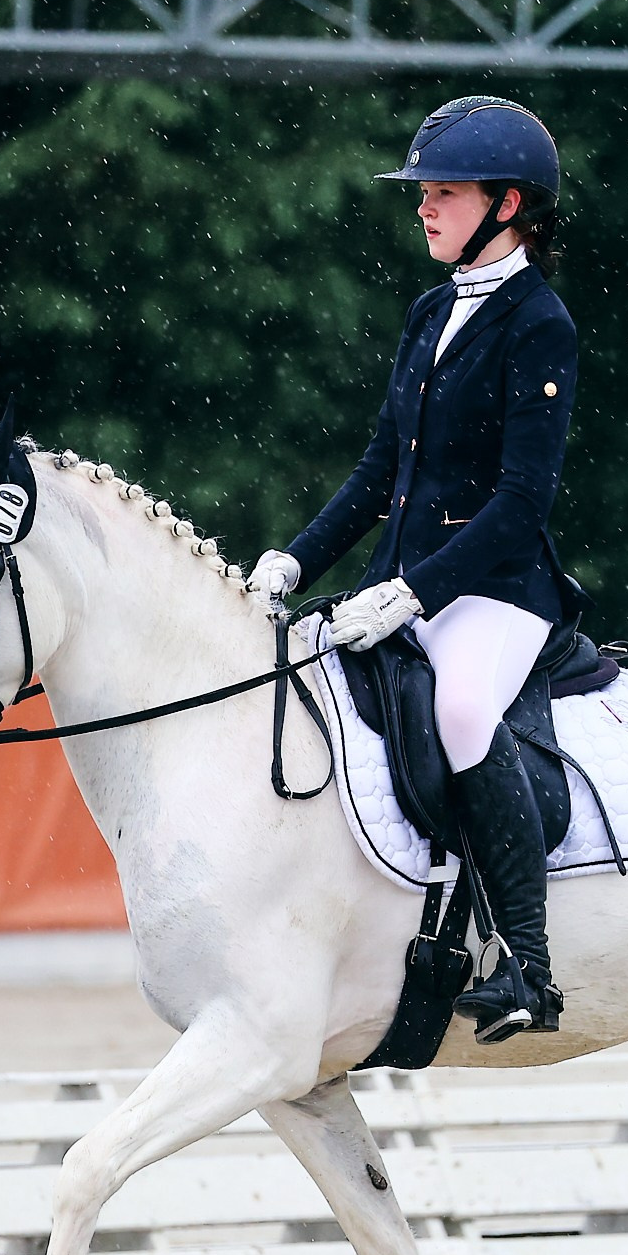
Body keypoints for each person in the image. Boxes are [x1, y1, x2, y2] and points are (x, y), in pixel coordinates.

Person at [249, 96, 585, 1044]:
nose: (425, 207)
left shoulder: (540, 323)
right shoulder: (431, 310)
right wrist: (296, 557)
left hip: (496, 588)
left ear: (507, 204)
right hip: (401, 581)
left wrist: (415, 590)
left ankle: (528, 966)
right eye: (423, 192)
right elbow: (378, 473)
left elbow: (521, 502)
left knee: (463, 712)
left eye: (445, 192)